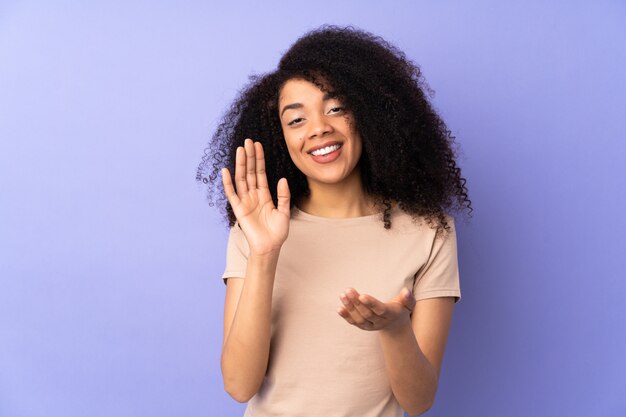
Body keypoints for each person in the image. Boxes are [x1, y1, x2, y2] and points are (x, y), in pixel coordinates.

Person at [196, 25, 472, 417]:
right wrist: (265, 255)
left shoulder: (430, 231)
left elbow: (419, 400)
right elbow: (240, 385)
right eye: (296, 120)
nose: (319, 128)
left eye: (336, 108)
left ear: (369, 113)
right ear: (279, 138)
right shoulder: (256, 232)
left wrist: (394, 330)